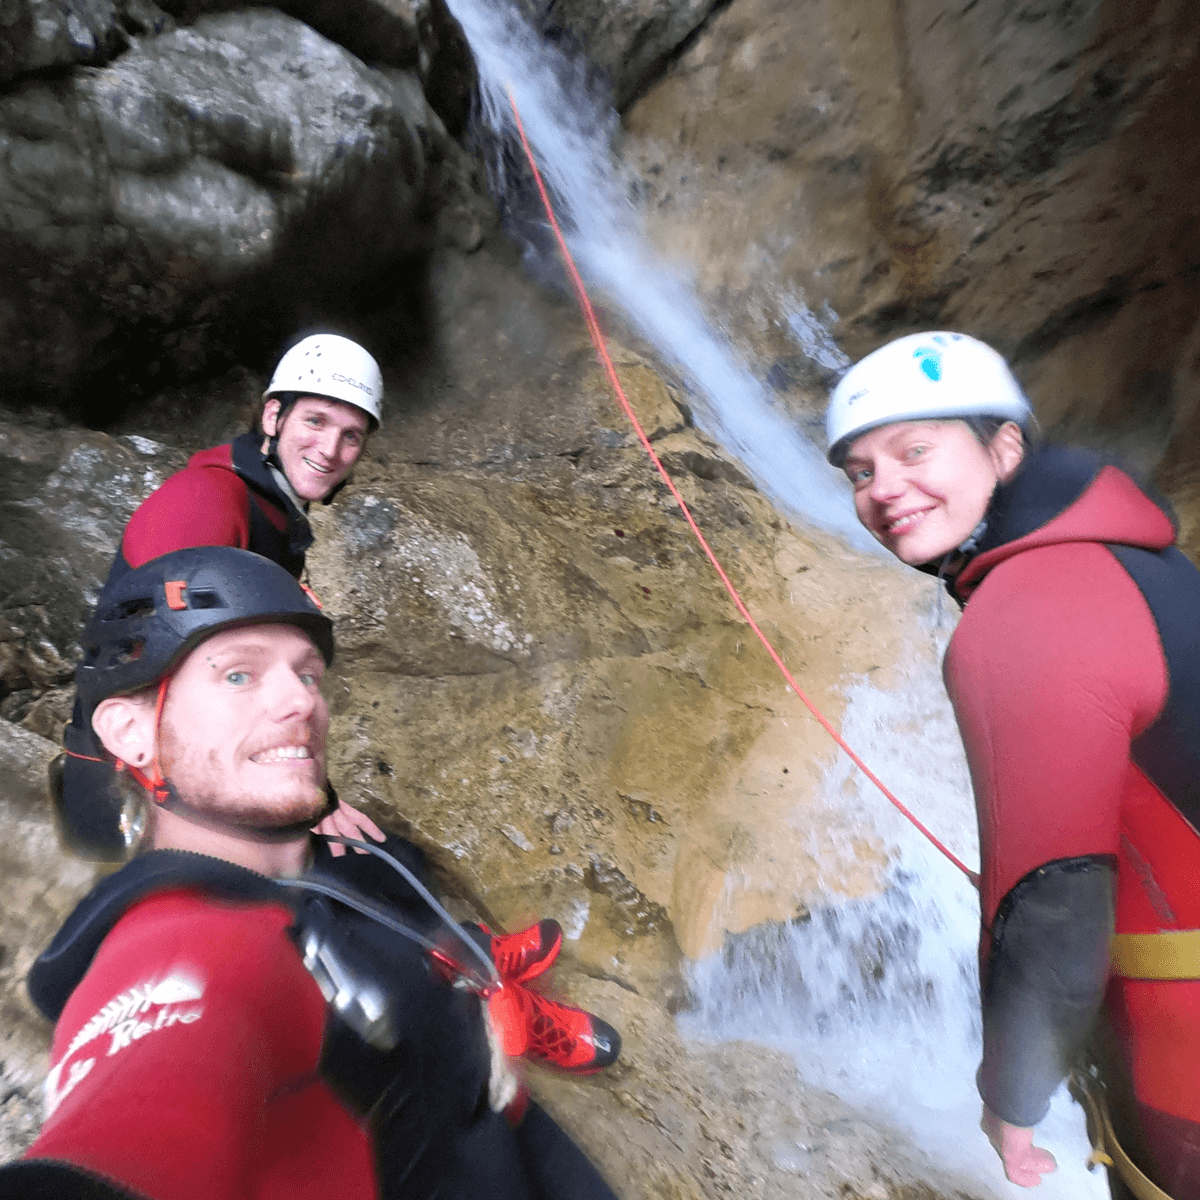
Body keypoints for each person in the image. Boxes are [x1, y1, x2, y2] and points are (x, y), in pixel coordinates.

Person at [0, 547, 620, 1200]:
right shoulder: (192, 957)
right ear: (131, 733)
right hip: (455, 1162)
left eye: (307, 675)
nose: (302, 701)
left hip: (478, 1109)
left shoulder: (282, 855)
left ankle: (476, 973)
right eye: (239, 676)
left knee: (383, 864)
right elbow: (149, 1101)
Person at [826, 331, 1200, 1200]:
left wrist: (1013, 1097)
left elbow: (1055, 904)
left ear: (1005, 446)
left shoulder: (1025, 613)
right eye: (859, 471)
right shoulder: (1135, 558)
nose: (884, 489)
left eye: (916, 450)